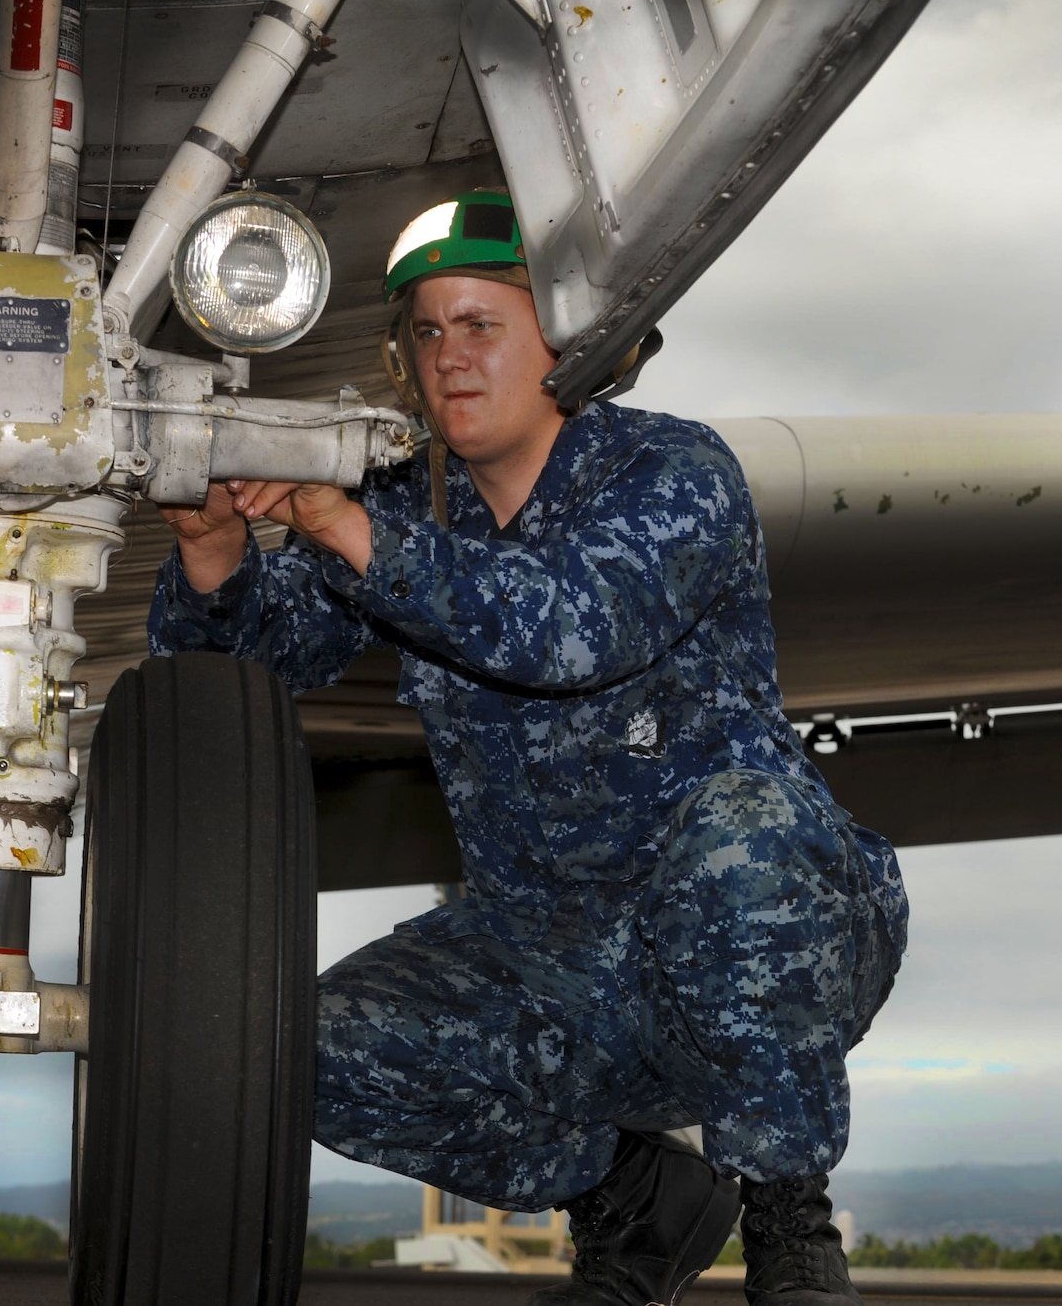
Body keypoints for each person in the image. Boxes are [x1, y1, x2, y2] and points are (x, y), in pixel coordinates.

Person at [148, 190, 908, 1306]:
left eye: (482, 324)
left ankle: (786, 1214)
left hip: (756, 938)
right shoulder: (414, 504)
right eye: (428, 330)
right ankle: (626, 1193)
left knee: (745, 835)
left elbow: (563, 626)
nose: (449, 357)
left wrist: (344, 523)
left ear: (564, 341)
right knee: (295, 1053)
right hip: (550, 962)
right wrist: (216, 550)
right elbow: (245, 666)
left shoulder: (673, 474)